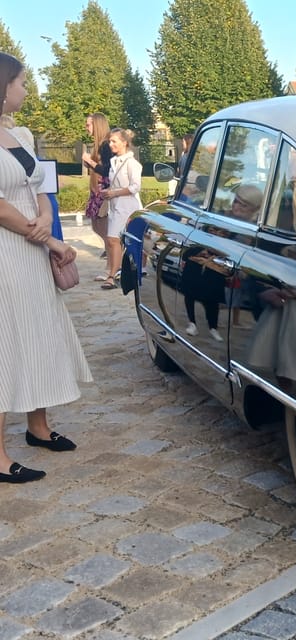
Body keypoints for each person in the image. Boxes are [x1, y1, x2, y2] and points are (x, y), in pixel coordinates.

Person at [1, 52, 92, 483]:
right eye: (20, 82)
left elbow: (39, 184)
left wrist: (43, 217)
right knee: (6, 340)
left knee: (36, 332)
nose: (25, 89)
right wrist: (47, 236)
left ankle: (38, 427)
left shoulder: (21, 134)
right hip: (6, 250)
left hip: (31, 247)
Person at [100, 128, 143, 290]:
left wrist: (114, 192)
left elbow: (135, 187)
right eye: (110, 141)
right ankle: (115, 271)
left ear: (124, 143)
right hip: (115, 204)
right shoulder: (114, 161)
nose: (111, 144)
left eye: (114, 141)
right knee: (112, 240)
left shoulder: (132, 164)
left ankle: (113, 274)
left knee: (113, 239)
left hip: (126, 206)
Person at [81, 113, 113, 261]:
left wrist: (90, 161)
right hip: (97, 189)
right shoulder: (99, 145)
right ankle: (110, 249)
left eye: (88, 124)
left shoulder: (106, 145)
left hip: (103, 189)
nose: (86, 128)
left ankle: (112, 251)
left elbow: (107, 170)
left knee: (101, 223)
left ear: (97, 125)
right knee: (96, 224)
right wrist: (89, 163)